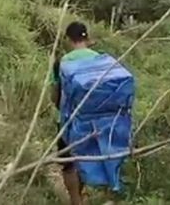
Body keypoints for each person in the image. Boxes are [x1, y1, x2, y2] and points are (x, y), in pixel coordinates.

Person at [50, 21, 101, 205]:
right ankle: (82, 192)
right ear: (86, 38)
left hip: (68, 120)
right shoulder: (99, 59)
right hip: (94, 122)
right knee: (85, 159)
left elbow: (54, 95)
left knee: (68, 163)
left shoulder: (62, 63)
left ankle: (75, 200)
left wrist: (60, 107)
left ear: (68, 39)